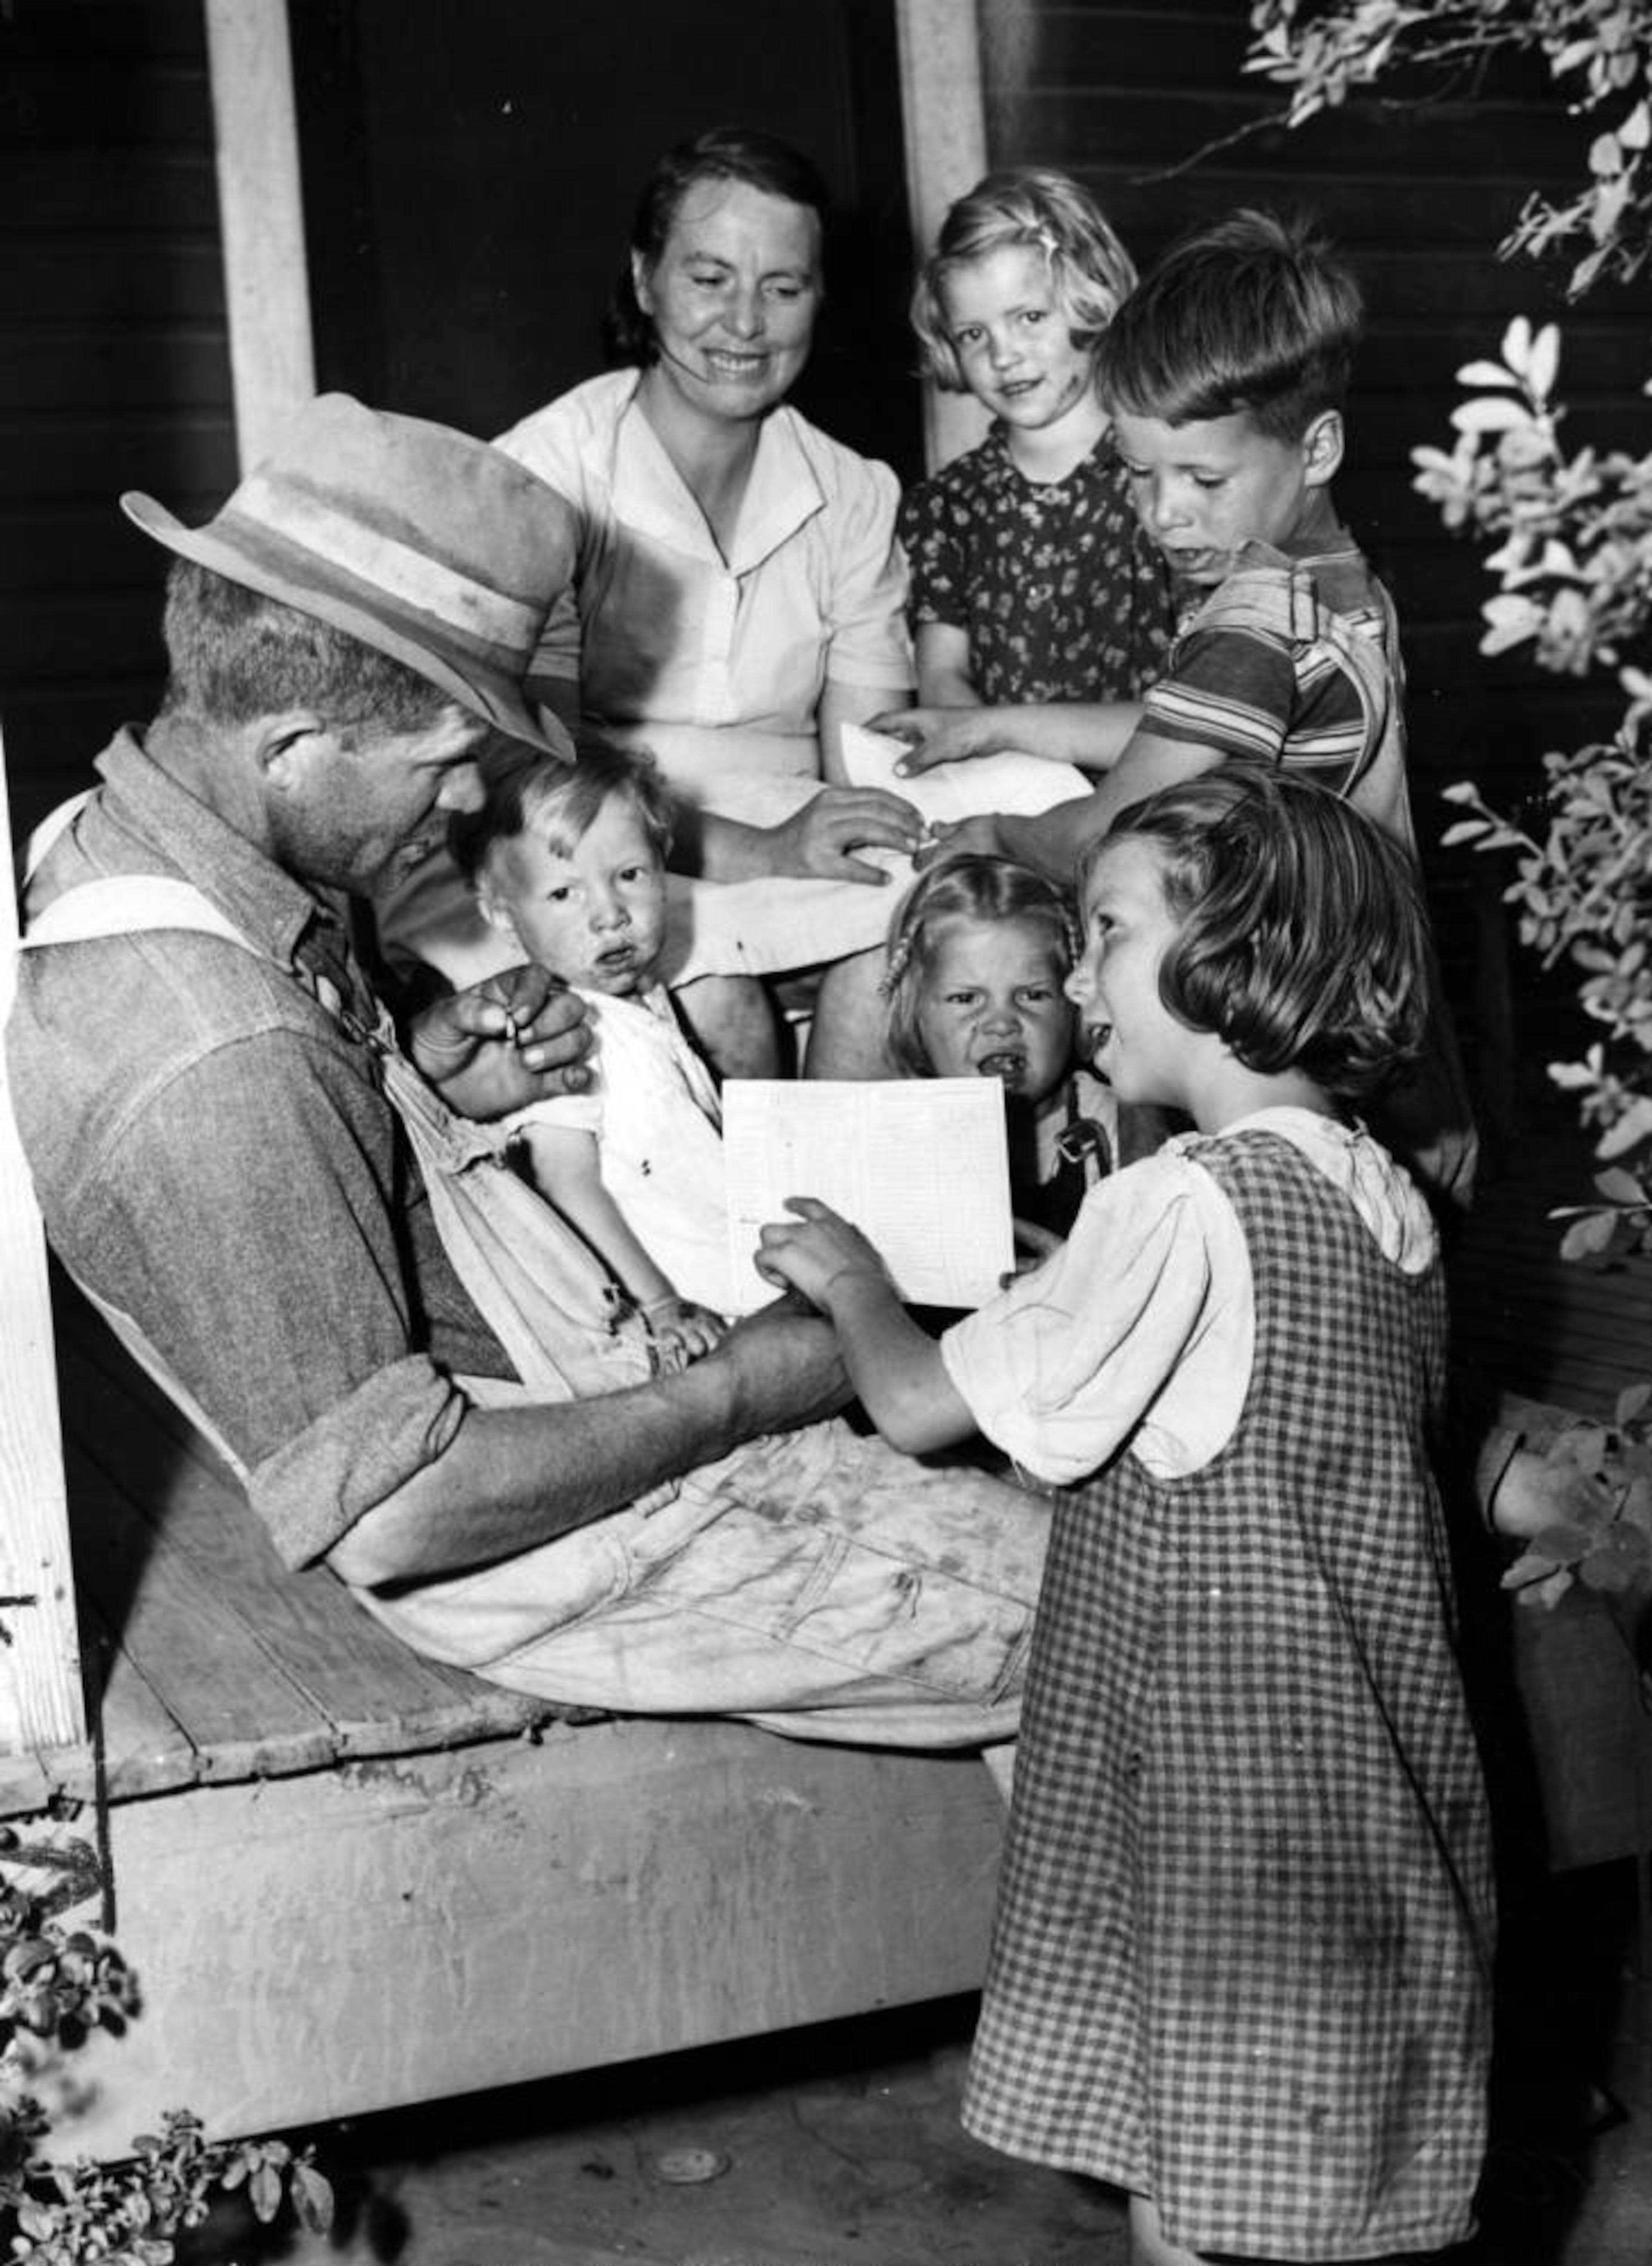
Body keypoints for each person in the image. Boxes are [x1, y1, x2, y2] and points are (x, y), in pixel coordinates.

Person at [6, 392, 1052, 1756]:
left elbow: (300, 1147)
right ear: (291, 743)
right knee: (1140, 1603)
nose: (461, 810)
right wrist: (748, 1385)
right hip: (557, 1532)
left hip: (581, 1388)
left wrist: (423, 1086)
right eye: (445, 769)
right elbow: (398, 1511)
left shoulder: (127, 835)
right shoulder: (221, 1053)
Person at [756, 763, 1495, 2266]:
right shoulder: (1388, 1194)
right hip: (1365, 1753)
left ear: (1236, 955)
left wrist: (848, 1281)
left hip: (1221, 1790)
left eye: (1104, 932)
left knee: (1191, 2197)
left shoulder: (1175, 1201)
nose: (1080, 976)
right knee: (1308, 2167)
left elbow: (914, 1405)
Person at [906, 205, 1477, 1207]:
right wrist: (993, 723)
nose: (1163, 513)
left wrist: (987, 832)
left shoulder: (1251, 620)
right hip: (1363, 993)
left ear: (1317, 447)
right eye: (1134, 472)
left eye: (1202, 478)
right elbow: (1189, 724)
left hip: (1264, 1026)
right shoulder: (1340, 586)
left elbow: (1105, 827)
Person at [381, 125, 929, 1082]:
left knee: (909, 947)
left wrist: (845, 832)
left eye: (784, 287)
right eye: (710, 278)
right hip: (562, 836)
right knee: (705, 988)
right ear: (645, 281)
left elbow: (863, 761)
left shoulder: (855, 493)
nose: (745, 323)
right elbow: (519, 759)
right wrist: (761, 850)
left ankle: (828, 1222)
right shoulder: (545, 473)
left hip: (780, 828)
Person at [448, 732, 750, 1357]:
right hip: (681, 1296)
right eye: (564, 893)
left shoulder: (641, 996)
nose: (610, 914)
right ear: (502, 914)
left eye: (630, 875)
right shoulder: (555, 1028)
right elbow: (567, 1182)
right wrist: (662, 1303)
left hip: (725, 1258)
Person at [882, 167, 1176, 772]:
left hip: (1161, 795)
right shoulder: (949, 505)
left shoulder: (1163, 473)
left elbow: (1200, 718)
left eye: (1030, 318)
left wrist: (1003, 734)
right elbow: (943, 679)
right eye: (972, 334)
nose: (1003, 354)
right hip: (1013, 799)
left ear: (1089, 296)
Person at [878, 852, 1117, 1246]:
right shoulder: (894, 1136)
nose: (1002, 1022)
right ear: (914, 1011)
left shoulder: (1108, 1128)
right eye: (966, 999)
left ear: (1074, 1003)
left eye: (1032, 995)